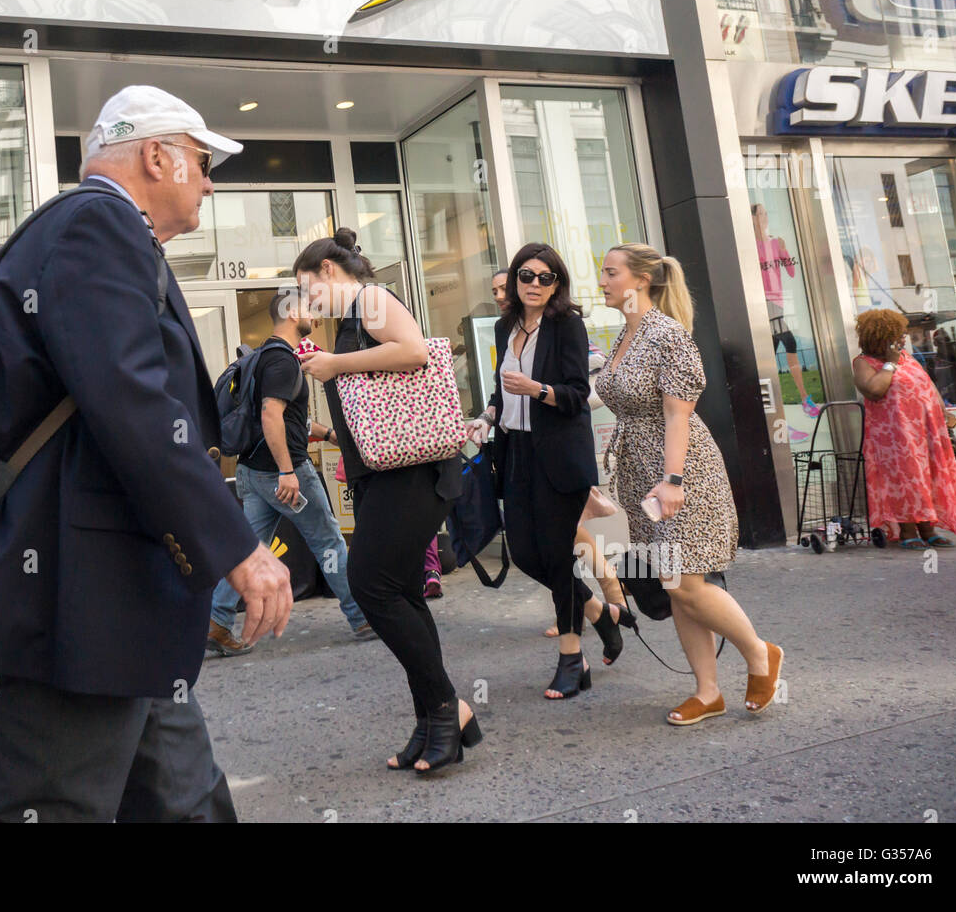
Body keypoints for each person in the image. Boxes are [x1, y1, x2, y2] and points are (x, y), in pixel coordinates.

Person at [0, 86, 292, 822]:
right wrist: (237, 547)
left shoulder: (100, 229)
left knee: (184, 799)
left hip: (119, 606)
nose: (210, 181)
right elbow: (135, 405)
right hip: (83, 598)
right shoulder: (98, 223)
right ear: (156, 154)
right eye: (201, 161)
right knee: (55, 804)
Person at [295, 229, 478, 774]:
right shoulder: (352, 318)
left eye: (309, 289)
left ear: (330, 269)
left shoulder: (370, 299)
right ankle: (433, 719)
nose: (309, 304)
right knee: (399, 590)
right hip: (388, 472)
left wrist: (331, 365)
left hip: (414, 471)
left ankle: (448, 707)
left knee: (370, 586)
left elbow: (413, 351)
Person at [593, 243, 783, 725]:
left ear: (640, 280)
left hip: (680, 469)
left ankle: (761, 655)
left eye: (610, 273)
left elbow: (679, 415)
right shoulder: (626, 335)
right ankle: (707, 691)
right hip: (640, 472)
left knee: (689, 581)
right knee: (674, 584)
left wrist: (672, 480)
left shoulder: (666, 335)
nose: (602, 281)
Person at [470, 243, 626, 699]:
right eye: (526, 276)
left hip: (557, 456)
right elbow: (502, 391)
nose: (534, 284)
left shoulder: (566, 326)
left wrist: (538, 389)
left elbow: (579, 394)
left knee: (558, 556)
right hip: (516, 451)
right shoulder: (504, 328)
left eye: (545, 277)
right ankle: (599, 613)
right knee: (524, 553)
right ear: (515, 281)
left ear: (557, 284)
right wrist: (486, 416)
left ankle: (571, 659)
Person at [207, 289, 375, 656]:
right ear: (290, 311)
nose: (315, 316)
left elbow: (288, 418)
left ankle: (217, 622)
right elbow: (271, 416)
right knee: (329, 541)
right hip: (282, 474)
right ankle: (362, 617)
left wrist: (329, 435)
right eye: (309, 308)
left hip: (253, 474)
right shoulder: (282, 361)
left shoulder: (263, 356)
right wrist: (287, 470)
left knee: (245, 550)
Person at [852, 308, 956, 549]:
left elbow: (927, 385)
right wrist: (890, 364)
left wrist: (943, 415)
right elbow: (874, 391)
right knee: (903, 480)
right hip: (894, 437)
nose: (903, 338)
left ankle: (928, 528)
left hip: (924, 432)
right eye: (897, 334)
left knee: (926, 477)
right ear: (880, 336)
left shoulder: (907, 357)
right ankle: (908, 530)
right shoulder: (864, 363)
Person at [752, 203, 820, 440]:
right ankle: (800, 403)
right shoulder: (750, 246)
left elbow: (791, 272)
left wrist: (785, 249)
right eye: (759, 214)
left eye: (765, 213)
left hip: (778, 303)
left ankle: (779, 419)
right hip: (763, 305)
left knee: (771, 357)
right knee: (788, 345)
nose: (763, 218)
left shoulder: (775, 242)